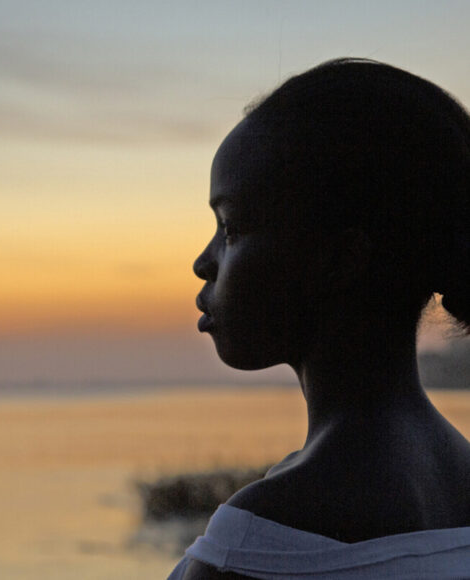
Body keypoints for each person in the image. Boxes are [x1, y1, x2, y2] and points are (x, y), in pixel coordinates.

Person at [168, 58, 470, 579]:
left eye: (231, 227)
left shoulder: (268, 533)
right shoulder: (458, 477)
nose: (204, 261)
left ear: (340, 259)